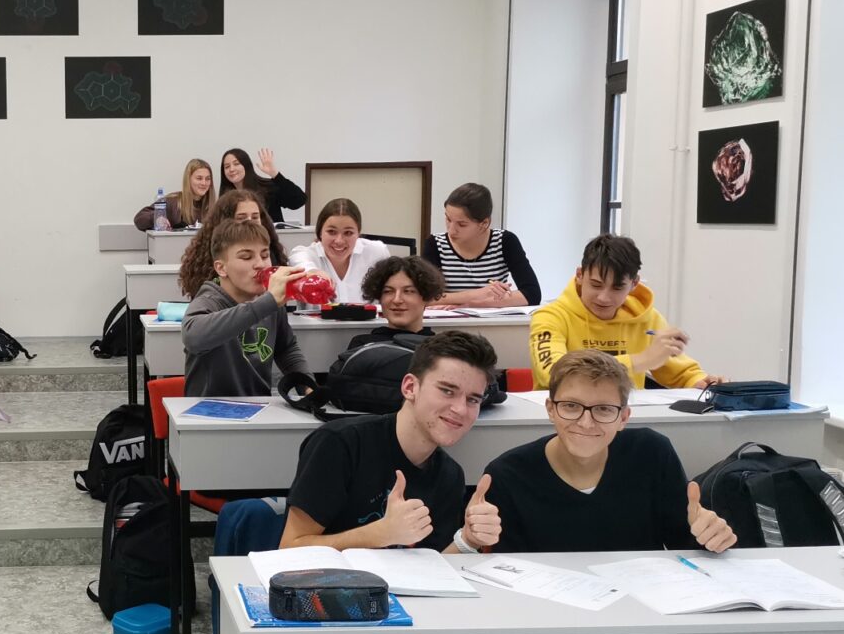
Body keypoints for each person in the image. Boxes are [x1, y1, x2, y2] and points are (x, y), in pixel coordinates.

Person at [483, 350, 737, 553]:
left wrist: (710, 537)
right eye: (571, 406)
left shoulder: (651, 453)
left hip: (642, 594)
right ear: (550, 409)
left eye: (603, 409)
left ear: (624, 418)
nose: (586, 422)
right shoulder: (508, 475)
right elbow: (507, 570)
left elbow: (683, 543)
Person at [279, 331, 502, 554]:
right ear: (410, 387)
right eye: (447, 391)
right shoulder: (341, 444)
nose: (460, 409)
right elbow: (290, 547)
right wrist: (378, 535)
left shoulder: (450, 475)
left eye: (473, 399)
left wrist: (468, 540)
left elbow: (434, 564)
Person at [530, 234, 725, 390]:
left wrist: (701, 382)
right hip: (564, 418)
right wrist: (641, 360)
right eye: (596, 285)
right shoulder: (550, 317)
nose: (604, 297)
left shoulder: (647, 319)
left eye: (617, 288)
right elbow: (553, 374)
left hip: (625, 418)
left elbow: (681, 372)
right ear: (580, 275)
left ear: (634, 284)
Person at [182, 219, 312, 398]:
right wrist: (267, 303)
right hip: (210, 410)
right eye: (246, 257)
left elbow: (286, 348)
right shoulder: (210, 300)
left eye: (265, 255)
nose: (260, 264)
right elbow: (193, 337)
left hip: (260, 408)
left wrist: (308, 387)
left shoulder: (270, 301)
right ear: (221, 268)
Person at [422, 183, 541, 307]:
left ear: (484, 223)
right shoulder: (435, 244)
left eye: (462, 224)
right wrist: (476, 295)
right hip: (447, 319)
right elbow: (423, 297)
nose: (451, 230)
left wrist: (472, 304)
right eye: (448, 219)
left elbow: (532, 294)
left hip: (490, 318)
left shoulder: (505, 241)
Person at [178, 190, 289, 297]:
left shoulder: (272, 252)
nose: (250, 222)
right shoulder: (209, 294)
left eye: (255, 217)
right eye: (241, 218)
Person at [289, 198, 391, 303]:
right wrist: (313, 273)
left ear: (358, 233)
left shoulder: (377, 252)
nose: (339, 241)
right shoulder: (306, 254)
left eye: (348, 233)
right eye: (331, 232)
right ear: (320, 232)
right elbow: (299, 260)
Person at [346, 256, 447, 349]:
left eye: (408, 291)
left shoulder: (440, 350)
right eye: (388, 291)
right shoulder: (362, 345)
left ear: (426, 296)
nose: (397, 300)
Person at [220, 148, 306, 224]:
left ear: (246, 166)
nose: (231, 169)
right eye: (227, 167)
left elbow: (299, 200)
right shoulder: (225, 198)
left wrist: (275, 174)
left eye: (236, 164)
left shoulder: (268, 188)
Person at [133, 158, 215, 231]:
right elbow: (139, 218)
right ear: (188, 179)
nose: (204, 183)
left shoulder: (215, 207)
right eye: (199, 178)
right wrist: (157, 218)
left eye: (208, 179)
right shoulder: (174, 202)